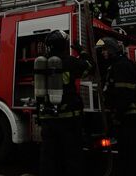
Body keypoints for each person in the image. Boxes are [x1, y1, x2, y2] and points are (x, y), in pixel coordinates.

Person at [97, 37, 136, 176]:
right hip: (130, 115)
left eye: (104, 49)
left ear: (112, 50)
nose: (103, 53)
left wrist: (117, 115)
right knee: (134, 147)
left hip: (129, 116)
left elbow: (124, 94)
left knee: (130, 150)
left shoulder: (121, 66)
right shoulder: (117, 64)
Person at [38, 30, 92, 176]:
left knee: (48, 158)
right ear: (63, 44)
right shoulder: (70, 61)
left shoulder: (41, 63)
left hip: (48, 119)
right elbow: (88, 66)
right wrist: (81, 51)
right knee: (72, 157)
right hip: (69, 120)